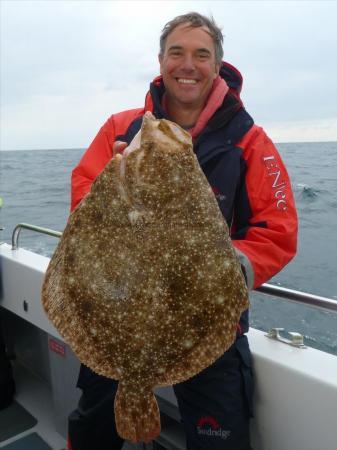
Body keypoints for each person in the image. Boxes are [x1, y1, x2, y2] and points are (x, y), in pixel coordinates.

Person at [67, 12, 298, 450]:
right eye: (177, 52)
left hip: (205, 323)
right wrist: (108, 188)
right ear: (160, 62)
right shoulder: (121, 128)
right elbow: (81, 204)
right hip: (116, 311)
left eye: (201, 54)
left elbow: (277, 231)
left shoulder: (250, 142)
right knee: (92, 430)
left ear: (217, 65)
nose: (187, 64)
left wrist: (220, 273)